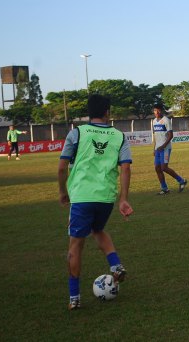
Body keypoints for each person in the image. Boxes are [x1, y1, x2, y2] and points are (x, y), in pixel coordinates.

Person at [58, 94, 133, 310]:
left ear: (89, 112)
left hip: (82, 196)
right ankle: (116, 265)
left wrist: (63, 191)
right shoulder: (119, 136)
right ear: (107, 111)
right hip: (106, 197)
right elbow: (126, 167)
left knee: (76, 245)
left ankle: (74, 298)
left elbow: (62, 167)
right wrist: (124, 199)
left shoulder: (77, 133)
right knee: (98, 229)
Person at [152, 103, 188, 195]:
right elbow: (155, 136)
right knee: (157, 168)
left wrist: (163, 146)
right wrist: (154, 148)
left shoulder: (166, 120)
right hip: (158, 149)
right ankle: (164, 189)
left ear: (160, 110)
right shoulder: (154, 121)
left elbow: (170, 135)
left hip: (165, 148)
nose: (156, 112)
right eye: (155, 110)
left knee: (164, 167)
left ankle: (181, 180)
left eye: (157, 110)